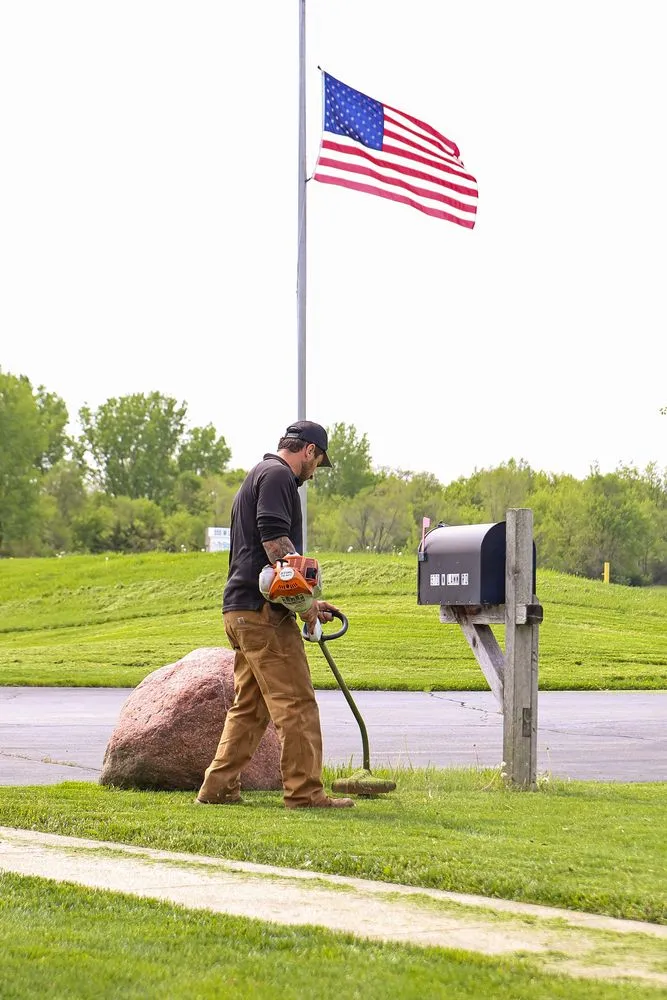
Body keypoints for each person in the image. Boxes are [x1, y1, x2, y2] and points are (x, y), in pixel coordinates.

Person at [196, 420, 355, 809]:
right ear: (309, 451)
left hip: (240, 612)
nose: (314, 473)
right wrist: (305, 605)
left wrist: (310, 603)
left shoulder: (258, 474)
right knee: (297, 703)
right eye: (317, 463)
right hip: (263, 614)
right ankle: (305, 793)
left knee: (250, 709)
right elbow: (275, 546)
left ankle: (218, 789)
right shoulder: (279, 475)